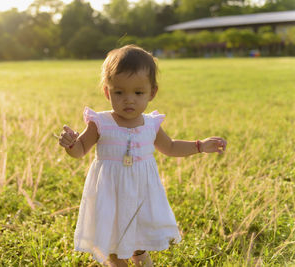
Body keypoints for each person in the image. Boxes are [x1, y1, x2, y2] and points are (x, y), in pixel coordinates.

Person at [58, 45, 227, 267]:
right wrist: (71, 145)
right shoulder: (100, 123)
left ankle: (141, 259)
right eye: (119, 92)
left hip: (141, 194)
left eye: (138, 93)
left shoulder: (151, 124)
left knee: (139, 241)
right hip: (110, 194)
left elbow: (171, 147)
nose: (129, 100)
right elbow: (80, 151)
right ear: (108, 92)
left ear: (152, 93)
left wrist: (200, 146)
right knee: (114, 244)